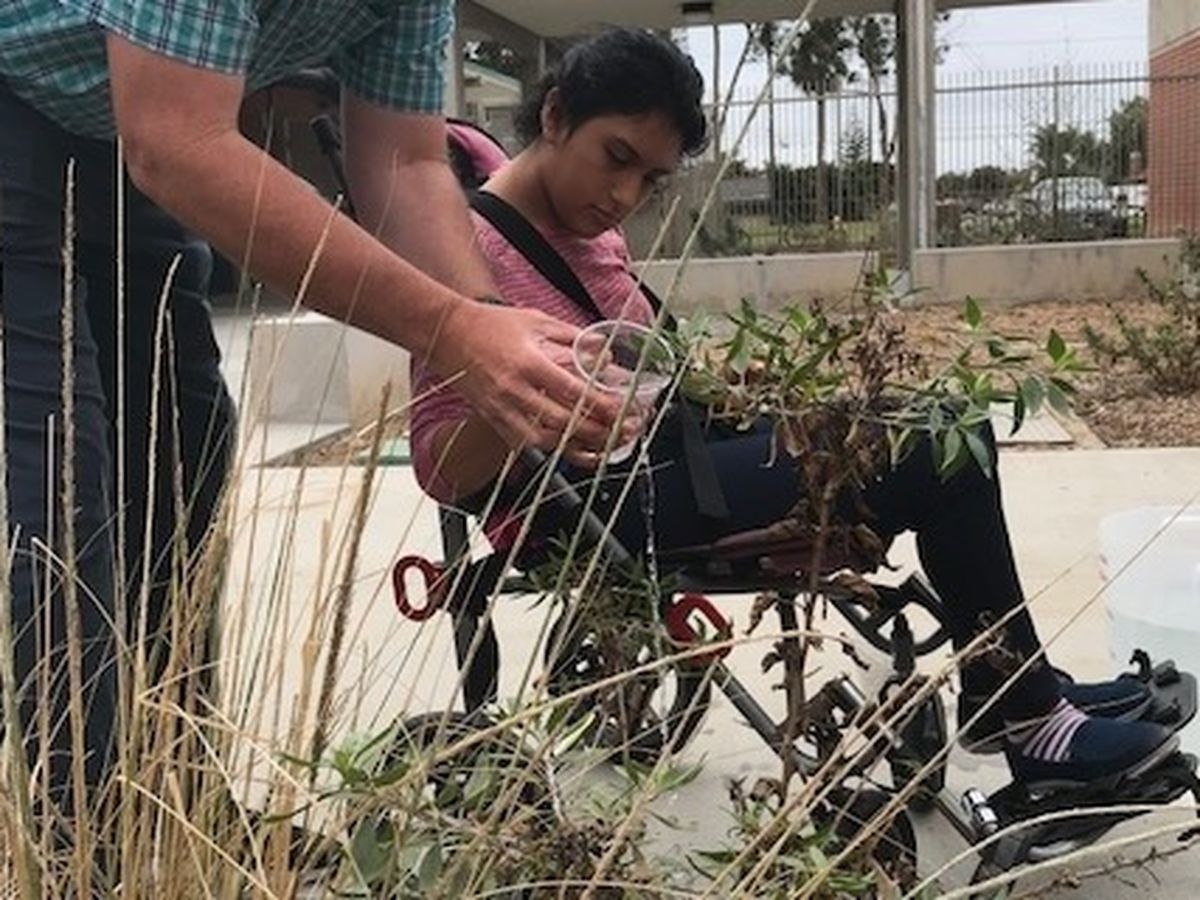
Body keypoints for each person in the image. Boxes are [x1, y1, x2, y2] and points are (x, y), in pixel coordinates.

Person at [410, 27, 1175, 787]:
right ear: (554, 115)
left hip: (669, 456)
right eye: (616, 158)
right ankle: (1026, 715)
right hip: (588, 508)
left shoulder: (583, 228)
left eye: (650, 180)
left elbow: (632, 358)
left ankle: (1016, 684)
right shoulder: (467, 252)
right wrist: (527, 398)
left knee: (938, 421)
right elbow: (441, 467)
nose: (624, 197)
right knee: (932, 452)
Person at [0, 0, 629, 835]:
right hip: (36, 102)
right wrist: (449, 332)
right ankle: (84, 839)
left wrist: (492, 331)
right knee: (57, 480)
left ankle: (173, 806)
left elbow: (404, 161)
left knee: (184, 451)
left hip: (110, 123)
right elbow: (177, 143)